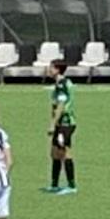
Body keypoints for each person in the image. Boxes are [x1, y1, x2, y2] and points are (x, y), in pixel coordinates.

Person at [44, 60, 78, 195]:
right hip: (61, 124)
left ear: (57, 70)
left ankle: (71, 185)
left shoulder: (62, 85)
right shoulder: (60, 83)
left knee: (65, 152)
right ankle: (54, 184)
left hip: (65, 123)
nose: (49, 70)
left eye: (51, 68)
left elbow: (61, 105)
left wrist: (53, 123)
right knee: (54, 153)